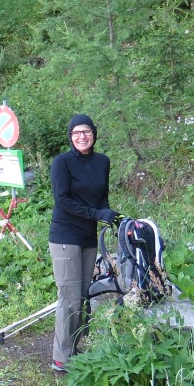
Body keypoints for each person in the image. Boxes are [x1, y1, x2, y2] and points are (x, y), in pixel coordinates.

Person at [48, 114, 120, 372]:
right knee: (69, 298)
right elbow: (63, 200)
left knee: (83, 295)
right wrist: (97, 215)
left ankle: (76, 348)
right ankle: (61, 358)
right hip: (65, 236)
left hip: (88, 237)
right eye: (76, 132)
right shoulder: (62, 163)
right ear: (70, 136)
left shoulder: (102, 161)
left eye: (86, 132)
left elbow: (102, 198)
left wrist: (112, 215)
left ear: (94, 134)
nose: (82, 136)